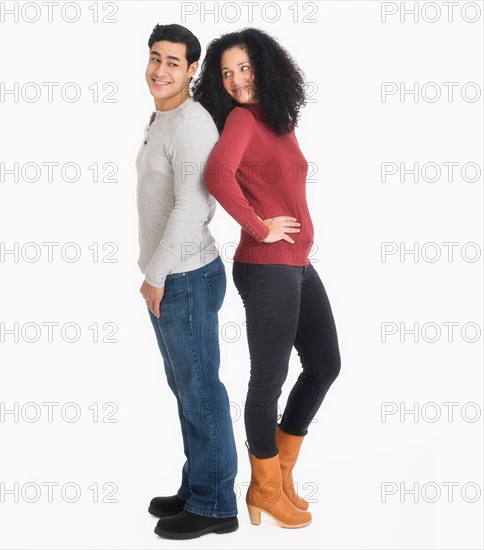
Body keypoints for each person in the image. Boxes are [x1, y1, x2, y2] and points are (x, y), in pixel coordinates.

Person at [193, 28, 341, 529]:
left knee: (325, 364)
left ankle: (282, 471)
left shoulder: (277, 119)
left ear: (265, 68)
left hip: (298, 263)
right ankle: (264, 486)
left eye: (245, 68)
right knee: (269, 378)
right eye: (226, 72)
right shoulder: (238, 118)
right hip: (266, 267)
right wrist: (259, 227)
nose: (235, 80)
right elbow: (218, 175)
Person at [136, 23, 238, 540]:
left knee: (201, 393)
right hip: (171, 280)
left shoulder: (192, 123)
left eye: (173, 61)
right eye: (155, 57)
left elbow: (193, 205)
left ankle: (216, 503)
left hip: (185, 278)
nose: (160, 69)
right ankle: (198, 483)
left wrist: (155, 276)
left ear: (192, 70)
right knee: (186, 391)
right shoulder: (164, 116)